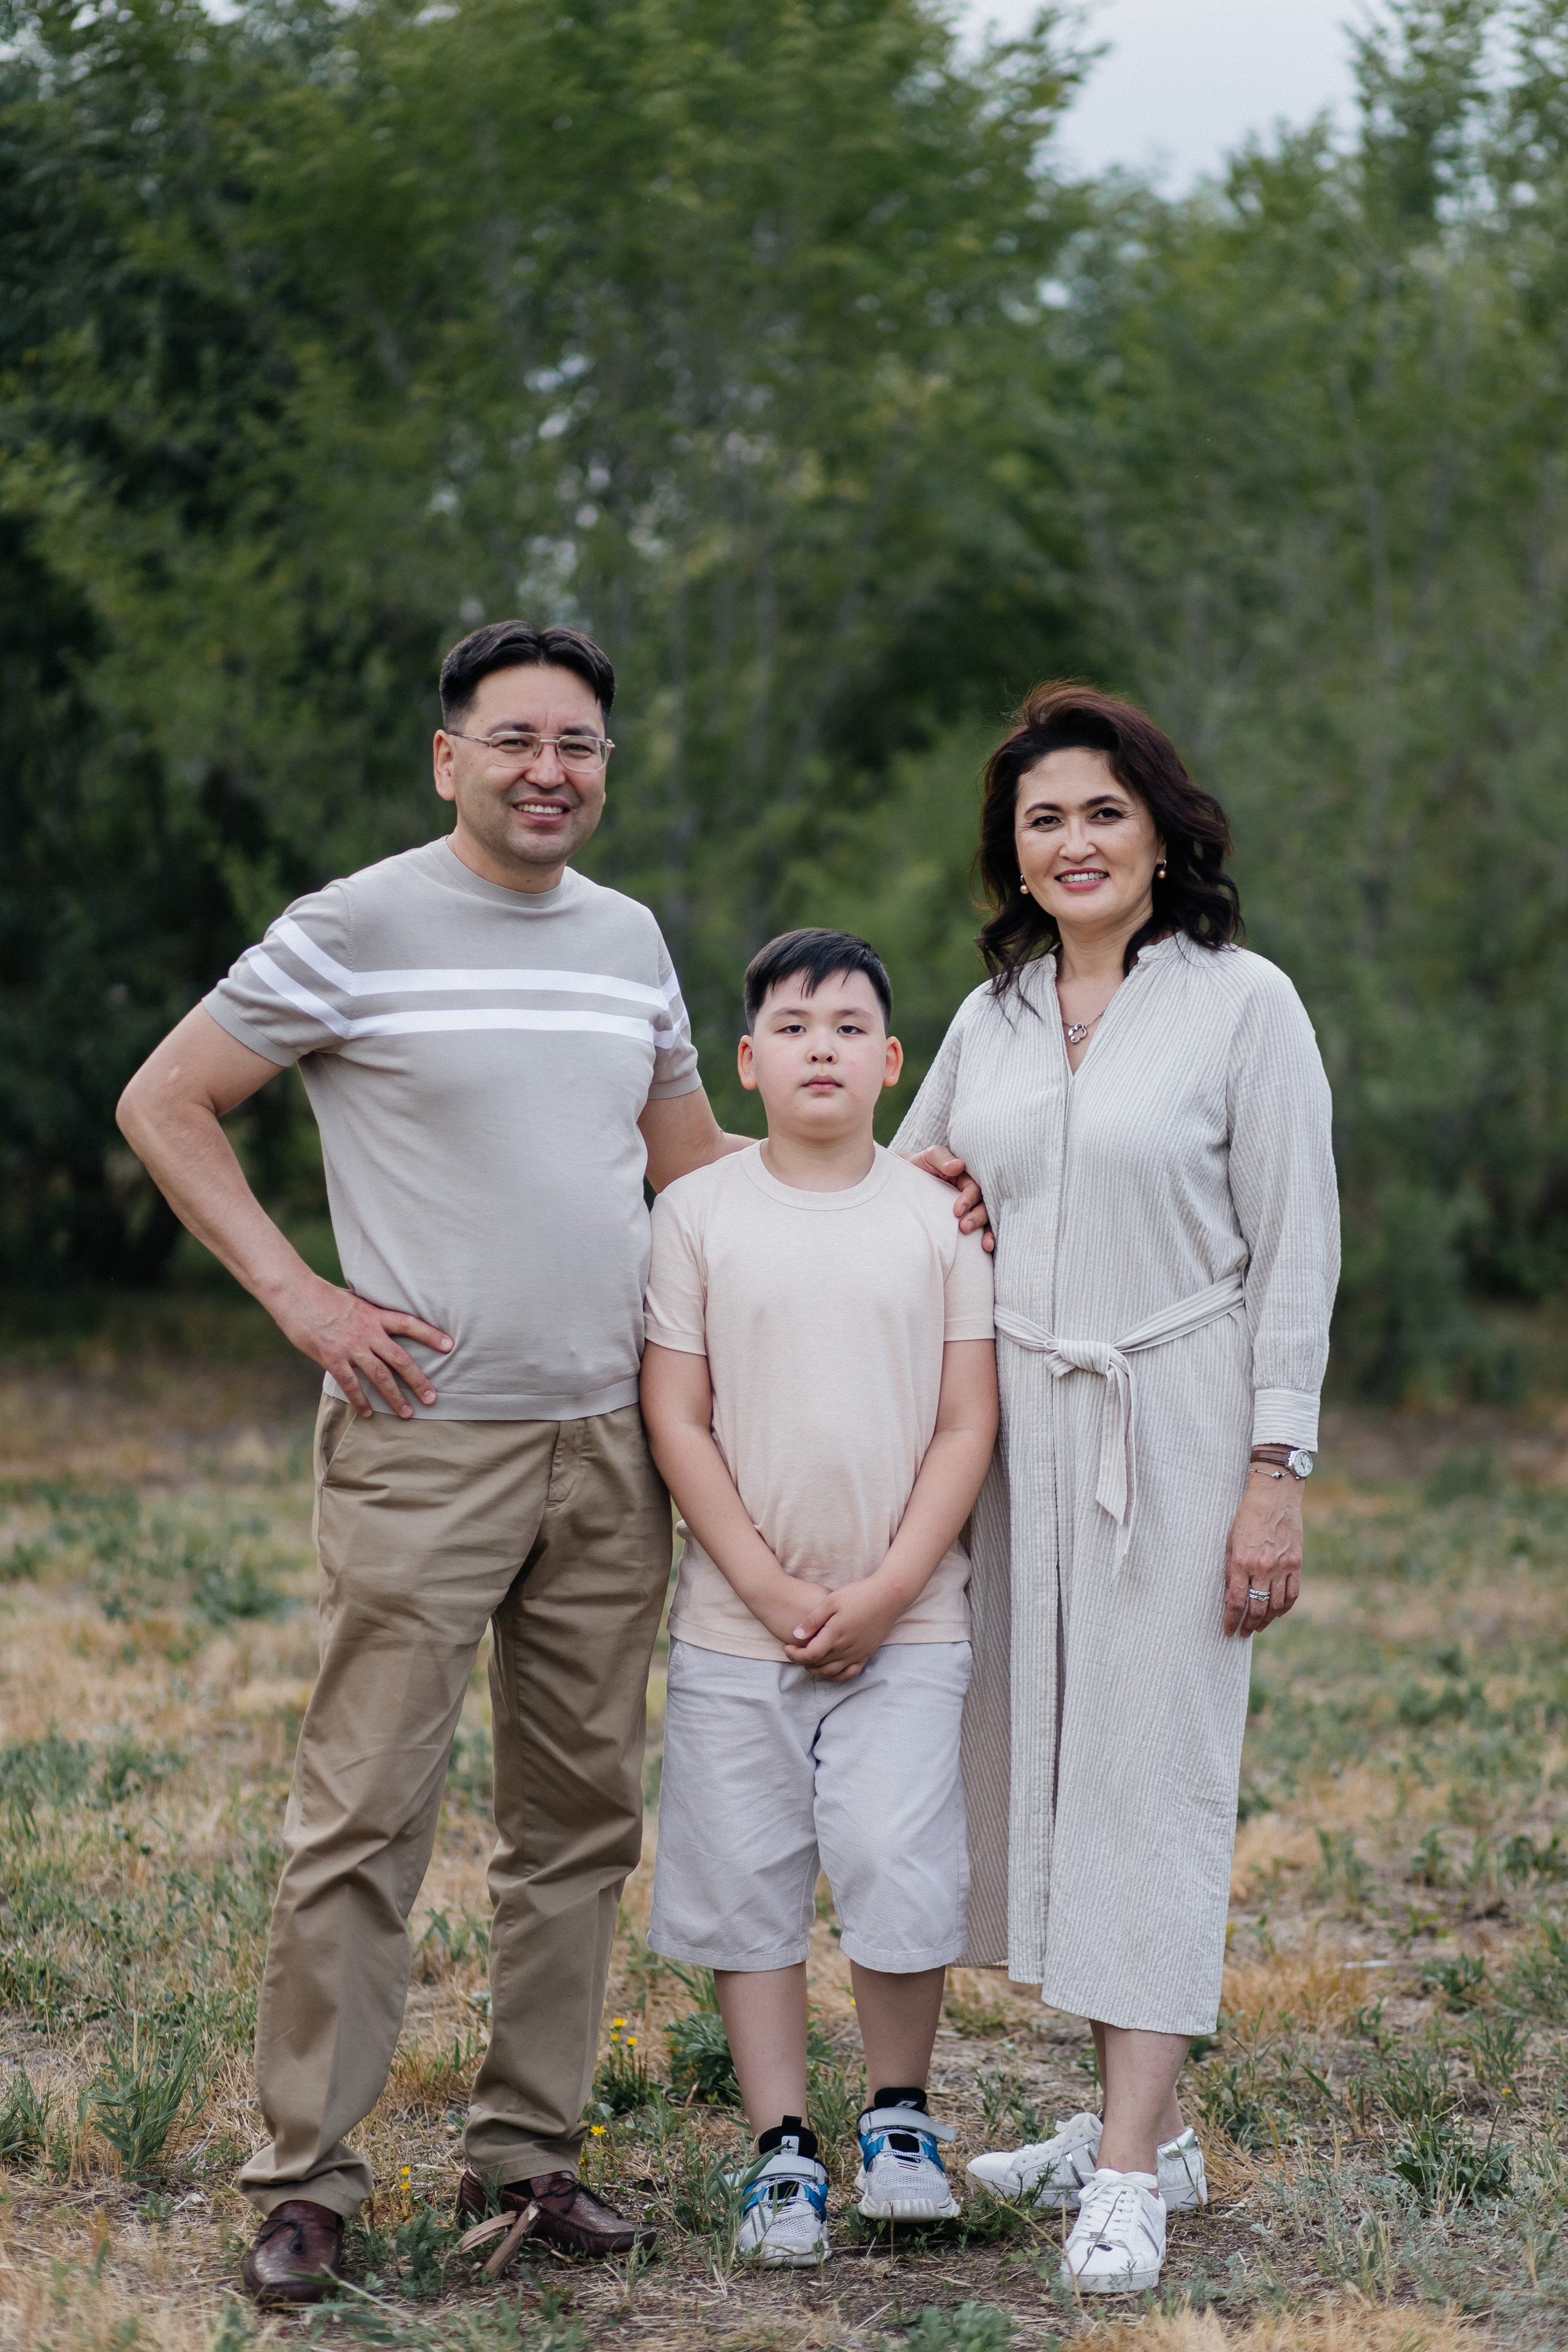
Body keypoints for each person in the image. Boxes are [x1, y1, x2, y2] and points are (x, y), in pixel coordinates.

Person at [116, 623, 987, 2305]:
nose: (548, 771)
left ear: (605, 767)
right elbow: (169, 1100)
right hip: (427, 1438)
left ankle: (530, 2156)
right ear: (448, 758)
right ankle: (308, 2180)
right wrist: (302, 1298)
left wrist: (891, 1178)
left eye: (578, 744)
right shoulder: (351, 928)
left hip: (614, 1446)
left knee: (576, 1821)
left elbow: (700, 1168)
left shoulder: (628, 943)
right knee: (366, 1813)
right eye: (513, 739)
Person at [891, 685, 1339, 2296]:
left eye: (1100, 811)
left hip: (1180, 1415)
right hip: (1016, 1423)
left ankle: (1134, 2174)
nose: (1072, 842)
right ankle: (1132, 2116)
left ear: (1160, 831)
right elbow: (920, 1188)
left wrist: (1274, 1472)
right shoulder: (990, 1017)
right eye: (1042, 819)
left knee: (1153, 1771)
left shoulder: (1244, 1005)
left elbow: (1298, 1246)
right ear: (1011, 853)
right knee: (1058, 1773)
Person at [639, 929, 998, 2267]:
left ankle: (898, 2120)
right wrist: (768, 1581)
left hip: (912, 1621)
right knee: (747, 1883)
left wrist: (888, 1587)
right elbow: (678, 1418)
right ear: (745, 1061)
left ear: (891, 1062)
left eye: (849, 1028)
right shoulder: (698, 1216)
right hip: (739, 1623)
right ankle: (780, 2147)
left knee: (900, 1865)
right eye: (791, 1028)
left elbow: (966, 1424)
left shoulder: (936, 1217)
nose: (821, 1048)